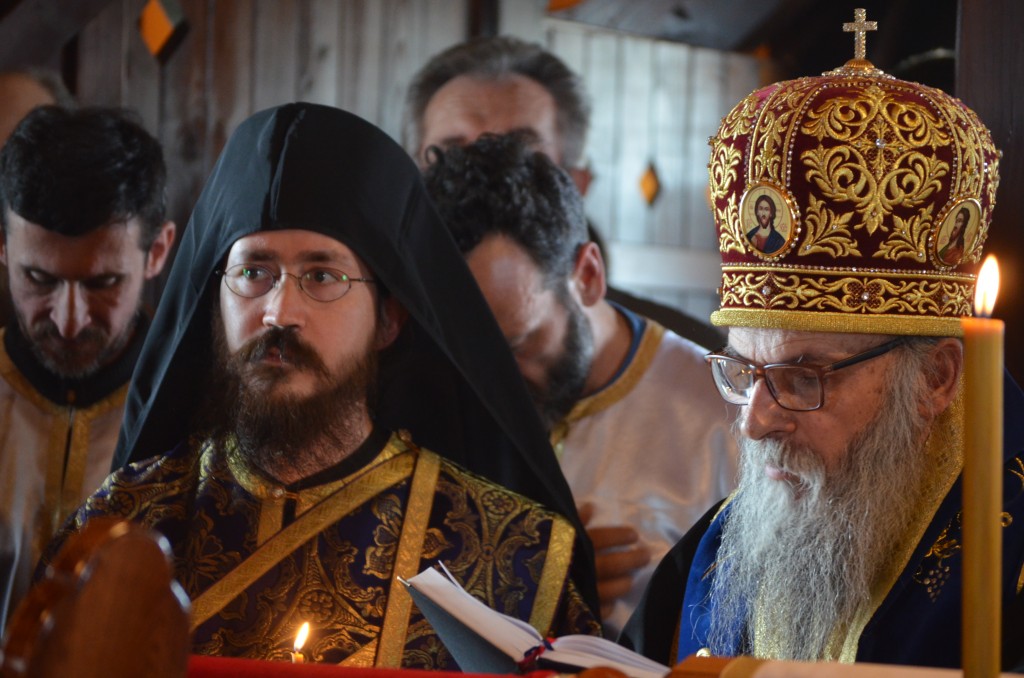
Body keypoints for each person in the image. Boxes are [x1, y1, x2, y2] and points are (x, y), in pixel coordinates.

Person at [45, 103, 600, 666]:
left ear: (389, 319)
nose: (279, 312)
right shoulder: (121, 526)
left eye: (323, 276)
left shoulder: (515, 556)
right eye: (253, 273)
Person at [620, 21, 1024, 670]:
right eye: (743, 371)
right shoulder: (720, 549)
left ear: (936, 379)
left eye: (803, 377)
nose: (755, 422)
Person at [423, 132, 737, 636]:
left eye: (518, 343)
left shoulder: (725, 415)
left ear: (588, 275)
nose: (492, 382)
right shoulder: (438, 395)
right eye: (469, 355)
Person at [404, 35, 725, 351]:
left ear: (575, 184)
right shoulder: (383, 336)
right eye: (452, 156)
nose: (481, 183)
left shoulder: (695, 363)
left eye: (519, 157)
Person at [0, 105, 176, 636]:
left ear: (157, 252)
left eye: (102, 284)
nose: (69, 320)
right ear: (3, 246)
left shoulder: (195, 408)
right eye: (39, 279)